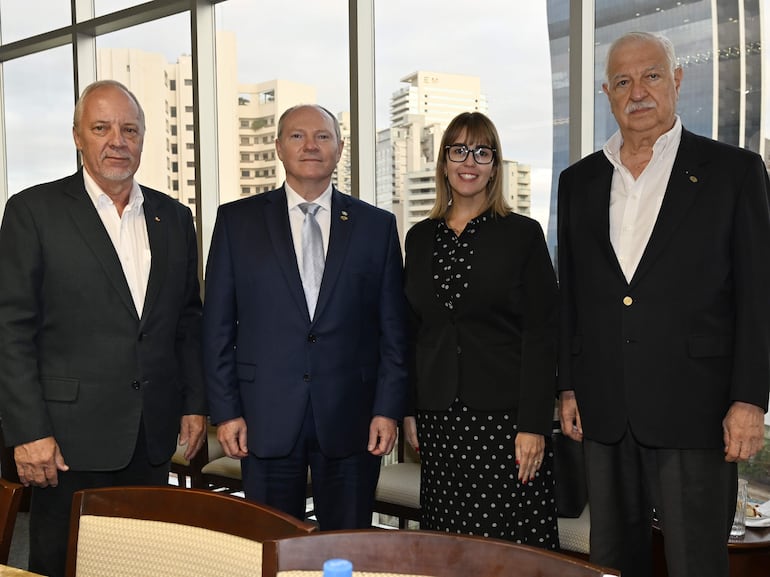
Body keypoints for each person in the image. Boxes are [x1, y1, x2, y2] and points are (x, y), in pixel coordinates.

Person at [557, 31, 770, 577]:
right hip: (604, 412)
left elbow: (757, 294)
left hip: (696, 411)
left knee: (695, 565)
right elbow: (572, 294)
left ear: (676, 80)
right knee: (612, 564)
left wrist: (750, 400)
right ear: (607, 92)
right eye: (623, 81)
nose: (638, 92)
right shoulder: (578, 181)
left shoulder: (735, 172)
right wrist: (567, 385)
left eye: (651, 75)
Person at [0, 80, 207, 577]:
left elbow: (187, 321)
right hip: (66, 441)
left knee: (142, 563)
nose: (118, 140)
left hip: (152, 435)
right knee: (61, 562)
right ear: (77, 137)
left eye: (129, 129)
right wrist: (28, 432)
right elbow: (11, 330)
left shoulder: (174, 218)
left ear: (142, 138)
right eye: (102, 127)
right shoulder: (33, 212)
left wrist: (195, 403)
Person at [203, 104, 408, 530]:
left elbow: (393, 331)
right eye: (297, 136)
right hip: (264, 419)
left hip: (353, 420)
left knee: (347, 546)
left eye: (323, 136)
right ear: (278, 147)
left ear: (340, 148)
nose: (310, 145)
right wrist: (226, 412)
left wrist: (387, 410)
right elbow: (217, 328)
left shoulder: (377, 226)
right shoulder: (236, 221)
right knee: (274, 546)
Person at [402, 112, 559, 548]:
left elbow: (543, 333)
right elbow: (413, 331)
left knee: (505, 548)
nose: (468, 161)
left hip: (506, 424)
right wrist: (410, 408)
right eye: (458, 150)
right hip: (438, 421)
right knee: (449, 544)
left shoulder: (523, 235)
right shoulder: (418, 238)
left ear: (494, 164)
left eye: (481, 151)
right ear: (444, 161)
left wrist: (534, 425)